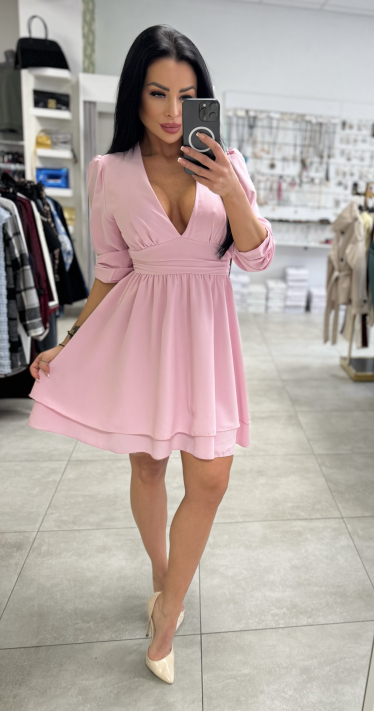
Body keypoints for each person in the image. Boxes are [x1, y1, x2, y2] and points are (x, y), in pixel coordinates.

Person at [27, 24, 275, 683]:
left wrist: (230, 189)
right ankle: (164, 579)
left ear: (203, 100)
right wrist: (69, 343)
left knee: (211, 479)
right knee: (147, 467)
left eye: (186, 97)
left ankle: (166, 615)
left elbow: (257, 257)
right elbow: (111, 269)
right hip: (144, 339)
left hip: (208, 338)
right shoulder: (110, 172)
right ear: (134, 94)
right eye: (157, 93)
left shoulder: (228, 163)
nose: (171, 111)